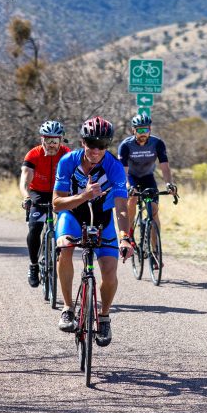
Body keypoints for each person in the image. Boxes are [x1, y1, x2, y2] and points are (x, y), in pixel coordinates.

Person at [53, 116, 133, 347]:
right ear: (82, 142)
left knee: (109, 270)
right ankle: (68, 308)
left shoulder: (114, 166)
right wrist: (84, 196)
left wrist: (125, 238)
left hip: (102, 218)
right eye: (91, 144)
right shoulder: (68, 161)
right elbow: (57, 204)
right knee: (64, 248)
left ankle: (104, 317)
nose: (96, 150)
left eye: (102, 145)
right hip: (72, 215)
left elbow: (121, 207)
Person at [118, 113, 176, 267]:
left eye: (145, 130)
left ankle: (155, 252)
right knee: (132, 199)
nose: (143, 133)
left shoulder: (158, 143)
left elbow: (165, 167)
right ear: (133, 130)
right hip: (131, 177)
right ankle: (129, 233)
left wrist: (169, 184)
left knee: (154, 210)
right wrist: (128, 187)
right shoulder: (126, 145)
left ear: (150, 129)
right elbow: (123, 172)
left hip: (148, 177)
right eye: (139, 130)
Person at [19, 120, 71, 287]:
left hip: (59, 193)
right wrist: (26, 197)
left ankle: (59, 253)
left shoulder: (67, 154)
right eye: (48, 140)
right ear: (42, 139)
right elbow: (24, 182)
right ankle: (34, 265)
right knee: (35, 228)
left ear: (61, 140)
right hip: (38, 193)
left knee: (67, 226)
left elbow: (76, 176)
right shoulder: (33, 154)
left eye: (55, 141)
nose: (51, 145)